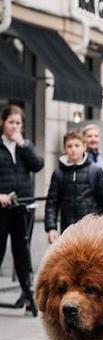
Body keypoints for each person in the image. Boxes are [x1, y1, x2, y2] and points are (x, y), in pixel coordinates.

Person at [0, 105, 44, 313]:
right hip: (2, 208)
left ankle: (28, 295)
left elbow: (37, 166)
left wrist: (23, 145)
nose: (15, 127)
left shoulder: (25, 146)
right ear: (3, 123)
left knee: (22, 252)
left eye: (18, 123)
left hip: (24, 207)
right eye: (11, 122)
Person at [45, 130, 103, 243]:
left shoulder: (95, 171)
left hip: (92, 230)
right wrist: (51, 228)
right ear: (65, 148)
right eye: (69, 146)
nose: (73, 149)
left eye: (77, 145)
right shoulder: (59, 173)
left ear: (84, 146)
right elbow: (52, 202)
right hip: (67, 230)